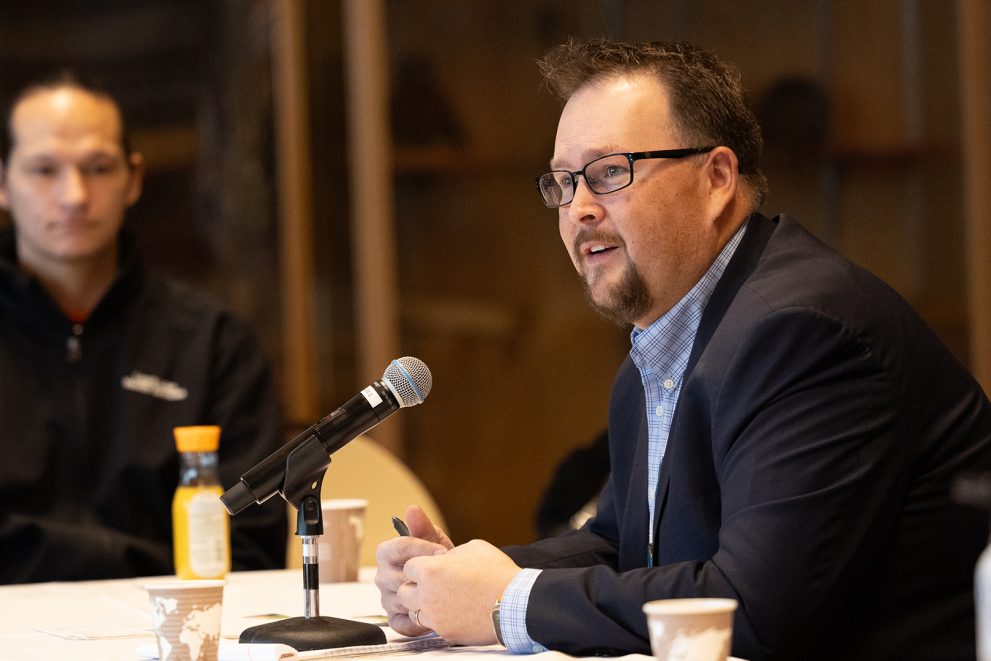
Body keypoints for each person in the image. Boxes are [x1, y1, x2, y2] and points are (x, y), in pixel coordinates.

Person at [374, 39, 991, 661]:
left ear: (717, 178)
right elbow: (625, 545)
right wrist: (460, 578)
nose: (578, 209)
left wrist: (511, 603)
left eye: (609, 172)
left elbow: (746, 612)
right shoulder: (669, 338)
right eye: (563, 183)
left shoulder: (803, 332)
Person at [0, 72, 287, 583]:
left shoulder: (214, 344)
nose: (74, 195)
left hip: (173, 633)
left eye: (98, 167)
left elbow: (250, 552)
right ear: (3, 183)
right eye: (44, 169)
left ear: (133, 179)